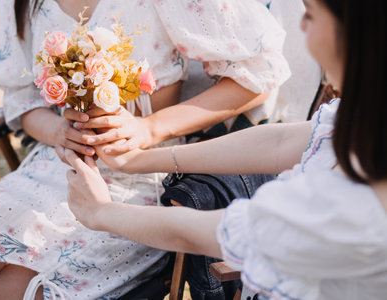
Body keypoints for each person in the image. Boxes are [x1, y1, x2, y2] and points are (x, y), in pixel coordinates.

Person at [0, 0, 291, 299]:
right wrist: (59, 131)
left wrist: (149, 127)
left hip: (139, 181)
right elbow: (21, 101)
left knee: (7, 293)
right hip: (51, 169)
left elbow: (258, 75)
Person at [64, 0, 387, 299]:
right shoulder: (363, 119)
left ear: (356, 32)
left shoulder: (345, 207)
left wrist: (101, 212)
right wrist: (138, 159)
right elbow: (279, 142)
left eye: (311, 15)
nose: (301, 27)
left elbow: (193, 234)